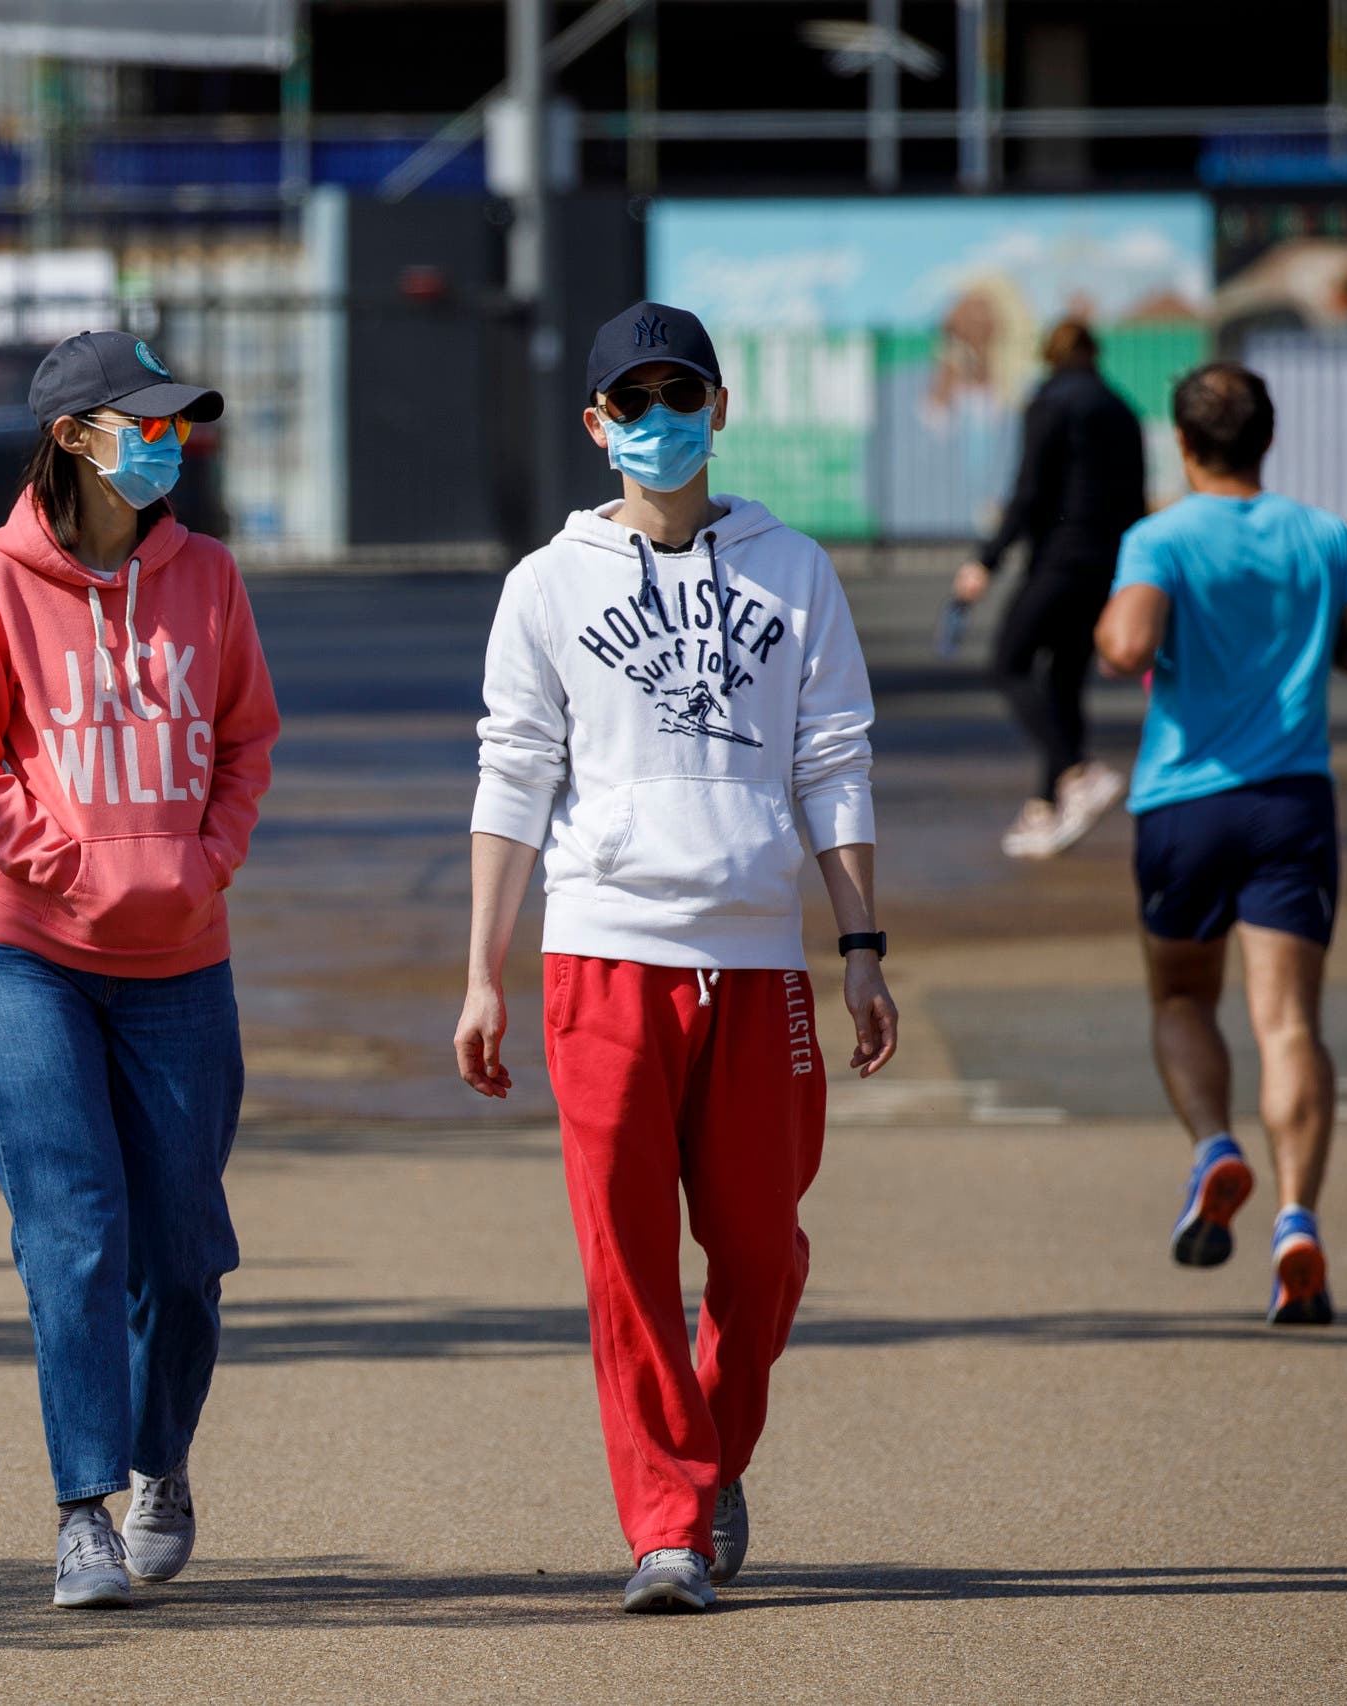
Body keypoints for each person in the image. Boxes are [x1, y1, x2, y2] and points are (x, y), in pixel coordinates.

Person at [454, 301, 899, 1614]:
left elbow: (834, 760)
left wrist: (861, 944)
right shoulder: (544, 585)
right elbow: (513, 774)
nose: (660, 423)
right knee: (627, 1258)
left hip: (762, 963)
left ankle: (703, 1459)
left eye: (681, 395)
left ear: (720, 406)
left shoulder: (794, 568)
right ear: (597, 426)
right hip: (601, 954)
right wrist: (484, 967)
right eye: (632, 403)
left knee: (759, 1253)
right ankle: (665, 1527)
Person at [0, 330, 279, 1609]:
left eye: (177, 422)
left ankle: (160, 1463)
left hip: (184, 960)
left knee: (181, 1247)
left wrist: (206, 863)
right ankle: (80, 1507)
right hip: (30, 957)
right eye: (143, 421)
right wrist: (66, 867)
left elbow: (245, 739)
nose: (166, 440)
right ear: (76, 436)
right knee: (71, 1233)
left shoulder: (211, 578)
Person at [1093, 363, 1347, 1326]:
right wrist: (1317, 646)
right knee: (1288, 1024)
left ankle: (1211, 1148)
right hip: (1291, 804)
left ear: (1185, 445)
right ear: (1265, 441)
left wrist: (1146, 618)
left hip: (1186, 804)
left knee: (1185, 995)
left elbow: (1122, 647)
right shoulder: (1323, 534)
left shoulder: (1160, 536)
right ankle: (1295, 1222)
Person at [954, 319, 1148, 860]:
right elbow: (1136, 500)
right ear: (1095, 352)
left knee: (1009, 662)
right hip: (1108, 564)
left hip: (1061, 559)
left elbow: (1030, 491)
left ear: (1049, 354)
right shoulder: (1122, 408)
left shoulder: (1050, 402)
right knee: (1063, 679)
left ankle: (1077, 772)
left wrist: (985, 561)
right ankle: (1045, 808)